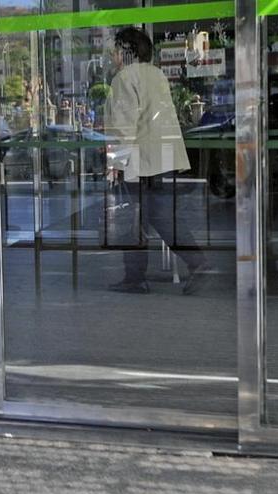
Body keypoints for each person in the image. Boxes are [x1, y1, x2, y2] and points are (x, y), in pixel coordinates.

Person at [103, 27, 211, 294]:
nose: (113, 56)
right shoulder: (157, 74)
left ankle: (137, 278)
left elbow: (123, 127)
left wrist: (115, 164)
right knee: (157, 216)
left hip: (139, 161)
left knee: (136, 219)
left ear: (127, 52)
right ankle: (184, 265)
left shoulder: (124, 78)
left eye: (116, 50)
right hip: (161, 158)